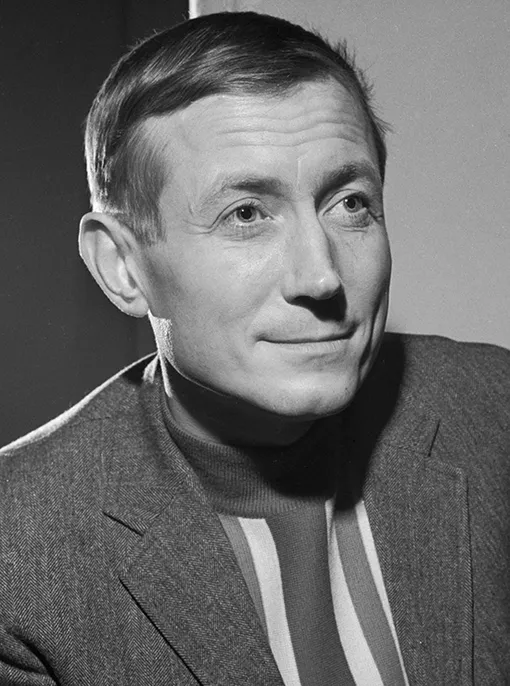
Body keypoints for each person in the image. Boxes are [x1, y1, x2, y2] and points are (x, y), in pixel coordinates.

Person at [0, 10, 508, 686]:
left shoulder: (493, 410)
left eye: (350, 204)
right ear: (123, 267)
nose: (321, 277)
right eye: (246, 214)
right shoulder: (18, 551)